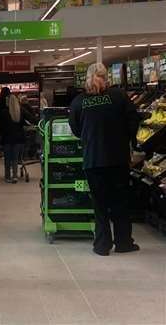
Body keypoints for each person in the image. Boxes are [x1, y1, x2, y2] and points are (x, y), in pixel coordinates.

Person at [69, 63, 141, 256]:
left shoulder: (79, 102)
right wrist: (126, 138)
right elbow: (133, 121)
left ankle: (102, 245)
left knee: (99, 204)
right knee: (120, 202)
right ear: (107, 78)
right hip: (118, 159)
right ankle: (124, 242)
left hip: (93, 159)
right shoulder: (119, 97)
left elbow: (75, 129)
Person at [0, 91, 28, 183]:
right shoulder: (20, 111)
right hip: (18, 138)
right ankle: (15, 176)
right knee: (15, 158)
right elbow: (27, 121)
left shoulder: (4, 113)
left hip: (7, 138)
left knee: (7, 159)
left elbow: (1, 126)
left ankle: (7, 177)